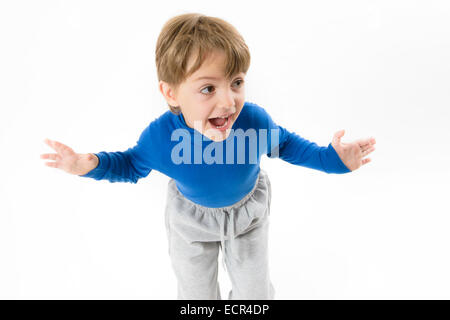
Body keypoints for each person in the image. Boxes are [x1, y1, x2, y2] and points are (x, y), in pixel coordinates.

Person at [40, 13, 376, 300]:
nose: (228, 102)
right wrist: (89, 165)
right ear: (171, 93)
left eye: (237, 82)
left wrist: (334, 160)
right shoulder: (161, 139)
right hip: (191, 221)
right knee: (195, 291)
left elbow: (287, 145)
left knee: (254, 292)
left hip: (248, 215)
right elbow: (130, 165)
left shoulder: (253, 122)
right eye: (208, 89)